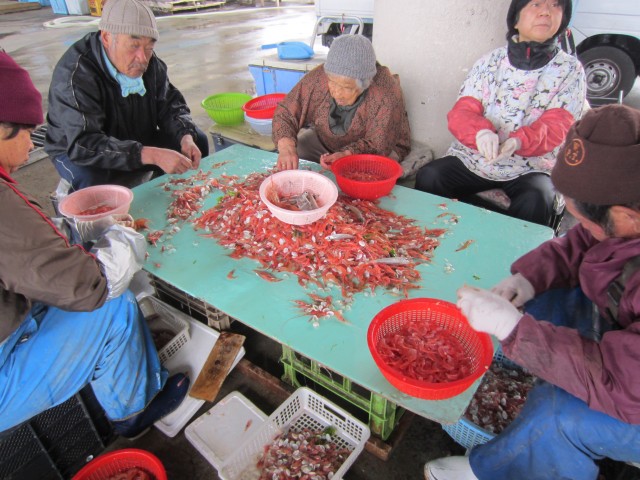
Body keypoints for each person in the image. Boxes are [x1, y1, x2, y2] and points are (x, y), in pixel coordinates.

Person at [425, 104, 640, 479]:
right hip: (624, 337)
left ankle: (493, 471)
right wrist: (525, 280)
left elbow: (625, 386)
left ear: (626, 215)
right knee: (542, 296)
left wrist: (515, 331)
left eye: (585, 220)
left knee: (558, 411)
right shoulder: (623, 219)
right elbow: (577, 246)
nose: (581, 227)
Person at [0, 51, 189, 439]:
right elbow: (91, 286)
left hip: (10, 315)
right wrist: (123, 232)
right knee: (112, 306)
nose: (31, 147)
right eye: (26, 132)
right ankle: (134, 413)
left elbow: (24, 249)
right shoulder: (77, 72)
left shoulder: (154, 68)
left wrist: (77, 232)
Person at [415, 0, 586, 226]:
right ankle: (429, 241)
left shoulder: (570, 70)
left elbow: (558, 125)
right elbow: (463, 110)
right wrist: (481, 134)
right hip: (476, 159)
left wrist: (518, 142)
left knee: (538, 197)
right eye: (536, 4)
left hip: (531, 167)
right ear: (516, 18)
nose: (546, 12)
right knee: (431, 177)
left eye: (555, 5)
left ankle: (516, 258)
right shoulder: (491, 62)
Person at [44, 0, 209, 197]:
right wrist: (152, 154)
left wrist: (185, 137)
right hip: (77, 148)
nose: (143, 57)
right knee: (93, 184)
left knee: (197, 140)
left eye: (149, 47)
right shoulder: (75, 74)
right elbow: (84, 144)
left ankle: (176, 199)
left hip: (132, 135)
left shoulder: (149, 62)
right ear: (106, 37)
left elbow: (171, 105)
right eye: (134, 45)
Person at [272, 34, 411, 171]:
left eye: (346, 87)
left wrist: (346, 154)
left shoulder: (386, 92)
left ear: (365, 84)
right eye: (332, 82)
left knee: (370, 174)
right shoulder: (320, 76)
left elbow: (378, 144)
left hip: (378, 148)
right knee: (293, 154)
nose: (336, 93)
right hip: (326, 141)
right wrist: (286, 147)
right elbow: (287, 111)